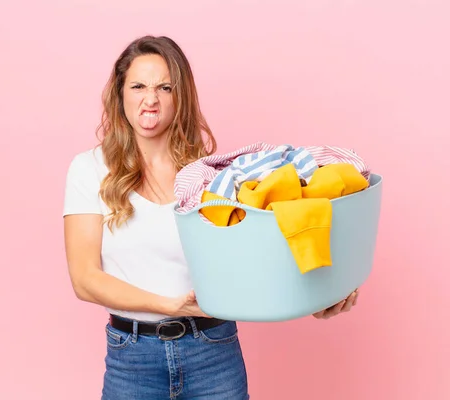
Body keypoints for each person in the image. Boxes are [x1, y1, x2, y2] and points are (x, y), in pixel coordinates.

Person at [62, 35, 359, 400]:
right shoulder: (89, 169)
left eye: (164, 87)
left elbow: (250, 263)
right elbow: (85, 279)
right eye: (138, 85)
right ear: (120, 94)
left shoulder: (211, 175)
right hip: (132, 358)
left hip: (212, 351)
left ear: (180, 96)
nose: (150, 99)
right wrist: (169, 305)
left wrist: (314, 299)